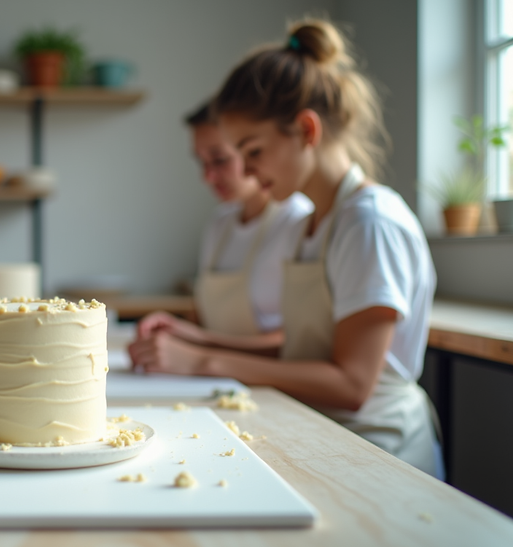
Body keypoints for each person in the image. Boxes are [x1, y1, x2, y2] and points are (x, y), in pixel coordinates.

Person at [143, 18, 442, 477]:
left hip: (381, 451)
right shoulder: (313, 223)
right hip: (323, 434)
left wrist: (203, 360)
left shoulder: (369, 222)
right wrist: (196, 340)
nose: (246, 170)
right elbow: (303, 352)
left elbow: (352, 385)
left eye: (253, 152)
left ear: (306, 130)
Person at [129, 103, 312, 367]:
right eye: (201, 162)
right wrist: (176, 333)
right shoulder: (220, 223)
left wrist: (199, 350)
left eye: (220, 160)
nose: (208, 177)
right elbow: (202, 318)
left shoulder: (297, 221)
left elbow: (299, 346)